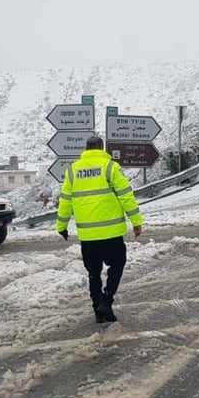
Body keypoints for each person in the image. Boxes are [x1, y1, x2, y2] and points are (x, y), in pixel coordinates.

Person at [56, 135, 143, 323]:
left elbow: (65, 201)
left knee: (93, 273)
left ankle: (97, 310)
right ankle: (107, 300)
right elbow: (126, 196)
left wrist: (61, 226)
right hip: (111, 233)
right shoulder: (110, 167)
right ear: (102, 148)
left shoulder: (73, 170)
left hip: (88, 236)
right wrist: (136, 222)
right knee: (117, 265)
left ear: (86, 150)